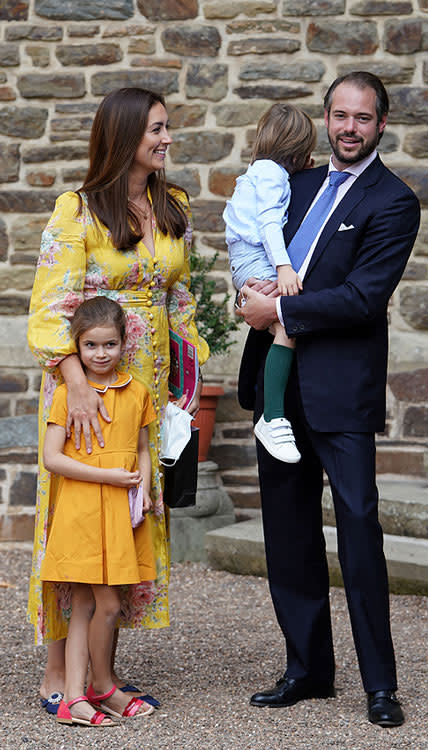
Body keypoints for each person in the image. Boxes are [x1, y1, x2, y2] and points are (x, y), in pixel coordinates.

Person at [237, 71, 420, 727]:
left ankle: (379, 685)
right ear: (326, 117)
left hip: (341, 393)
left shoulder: (393, 201)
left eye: (361, 118)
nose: (348, 128)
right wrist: (248, 293)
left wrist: (276, 307)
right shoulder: (298, 184)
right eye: (339, 116)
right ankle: (307, 671)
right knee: (287, 537)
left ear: (380, 123)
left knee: (360, 535)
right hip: (279, 391)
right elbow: (258, 246)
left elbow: (362, 298)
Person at [27, 87, 209, 714]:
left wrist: (188, 381)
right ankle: (58, 671)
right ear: (125, 135)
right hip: (87, 383)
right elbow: (52, 307)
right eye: (156, 129)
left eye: (167, 128)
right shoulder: (76, 211)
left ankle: (103, 673)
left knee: (127, 516)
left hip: (147, 388)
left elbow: (180, 301)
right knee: (75, 523)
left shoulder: (172, 204)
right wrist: (76, 381)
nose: (166, 139)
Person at [42, 297, 156, 726]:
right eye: (90, 346)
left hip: (120, 514)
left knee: (88, 605)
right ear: (78, 346)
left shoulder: (138, 391)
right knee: (106, 605)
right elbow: (53, 458)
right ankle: (103, 685)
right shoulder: (69, 396)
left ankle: (74, 697)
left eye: (109, 344)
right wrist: (108, 477)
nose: (101, 354)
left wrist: (142, 485)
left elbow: (142, 449)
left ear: (124, 343)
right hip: (84, 511)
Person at [223, 103, 316, 463]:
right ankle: (272, 417)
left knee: (282, 324)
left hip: (245, 261)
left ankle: (273, 416)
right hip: (257, 260)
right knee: (287, 325)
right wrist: (283, 268)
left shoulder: (260, 172)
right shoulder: (271, 174)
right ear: (298, 146)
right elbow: (268, 225)